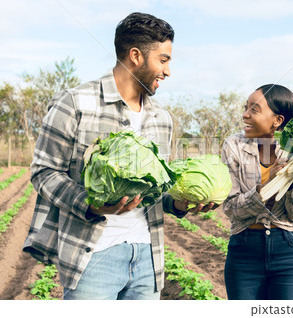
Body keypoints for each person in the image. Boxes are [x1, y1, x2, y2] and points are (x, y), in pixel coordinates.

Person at [23, 12, 213, 300]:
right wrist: (92, 205)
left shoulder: (161, 118)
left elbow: (154, 189)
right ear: (135, 55)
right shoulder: (76, 102)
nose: (168, 71)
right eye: (163, 60)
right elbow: (44, 171)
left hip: (148, 258)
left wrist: (179, 203)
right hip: (92, 258)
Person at [221, 84, 293, 300]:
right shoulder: (233, 145)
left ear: (278, 120)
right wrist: (265, 189)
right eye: (246, 108)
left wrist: (292, 183)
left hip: (290, 250)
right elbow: (230, 207)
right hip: (244, 250)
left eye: (254, 109)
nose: (245, 115)